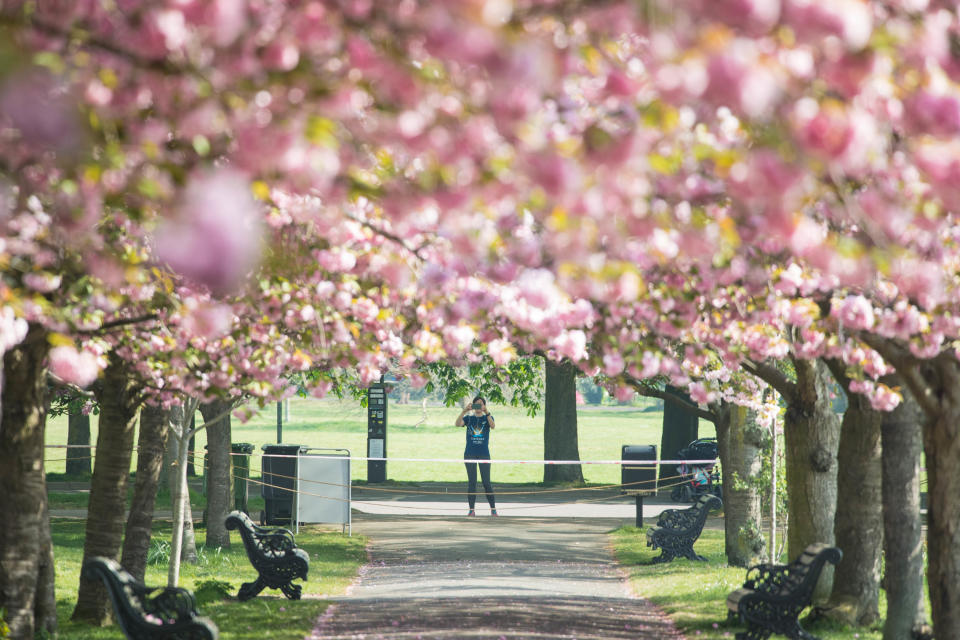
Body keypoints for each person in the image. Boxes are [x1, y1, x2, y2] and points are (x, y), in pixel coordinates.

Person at [455, 395, 497, 516]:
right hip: (470, 454)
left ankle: (493, 509)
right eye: (476, 404)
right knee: (472, 482)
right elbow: (457, 424)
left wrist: (487, 412)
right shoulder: (469, 418)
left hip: (484, 454)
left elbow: (493, 426)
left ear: (484, 405)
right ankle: (471, 510)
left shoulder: (488, 417)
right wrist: (464, 411)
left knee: (486, 482)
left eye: (481, 404)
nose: (478, 406)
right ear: (473, 406)